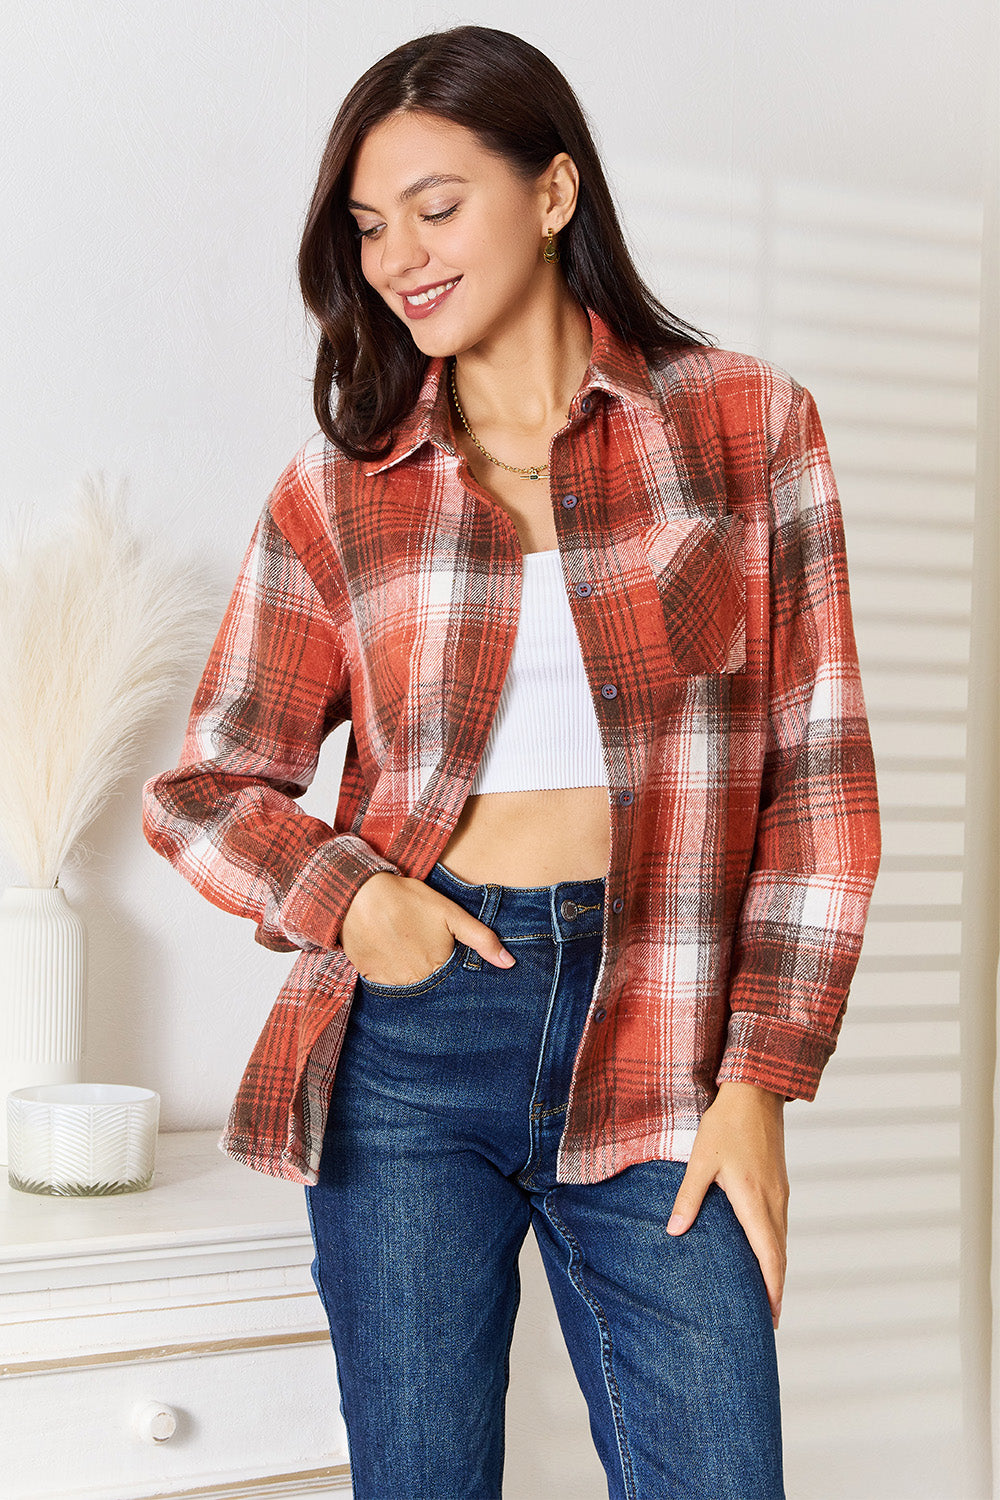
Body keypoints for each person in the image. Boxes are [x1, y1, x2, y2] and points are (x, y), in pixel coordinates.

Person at [143, 24, 880, 1500]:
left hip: (663, 1031)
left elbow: (820, 783)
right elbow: (209, 784)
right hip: (415, 1045)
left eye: (436, 205)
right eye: (368, 227)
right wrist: (356, 904)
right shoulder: (339, 490)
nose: (399, 256)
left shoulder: (746, 427)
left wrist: (763, 1083)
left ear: (552, 193)